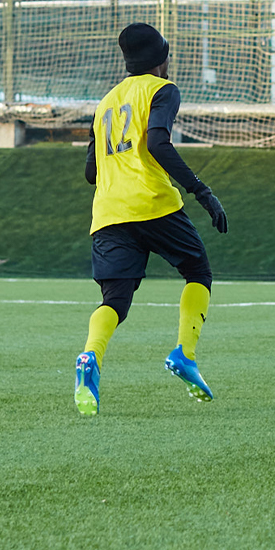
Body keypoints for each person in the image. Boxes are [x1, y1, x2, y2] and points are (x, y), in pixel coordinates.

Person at [73, 22, 229, 416]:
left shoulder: (105, 103)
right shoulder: (163, 89)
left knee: (115, 301)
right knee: (198, 272)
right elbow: (158, 142)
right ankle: (185, 354)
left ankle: (90, 357)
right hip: (153, 203)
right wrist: (201, 191)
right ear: (161, 58)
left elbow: (91, 172)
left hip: (109, 212)